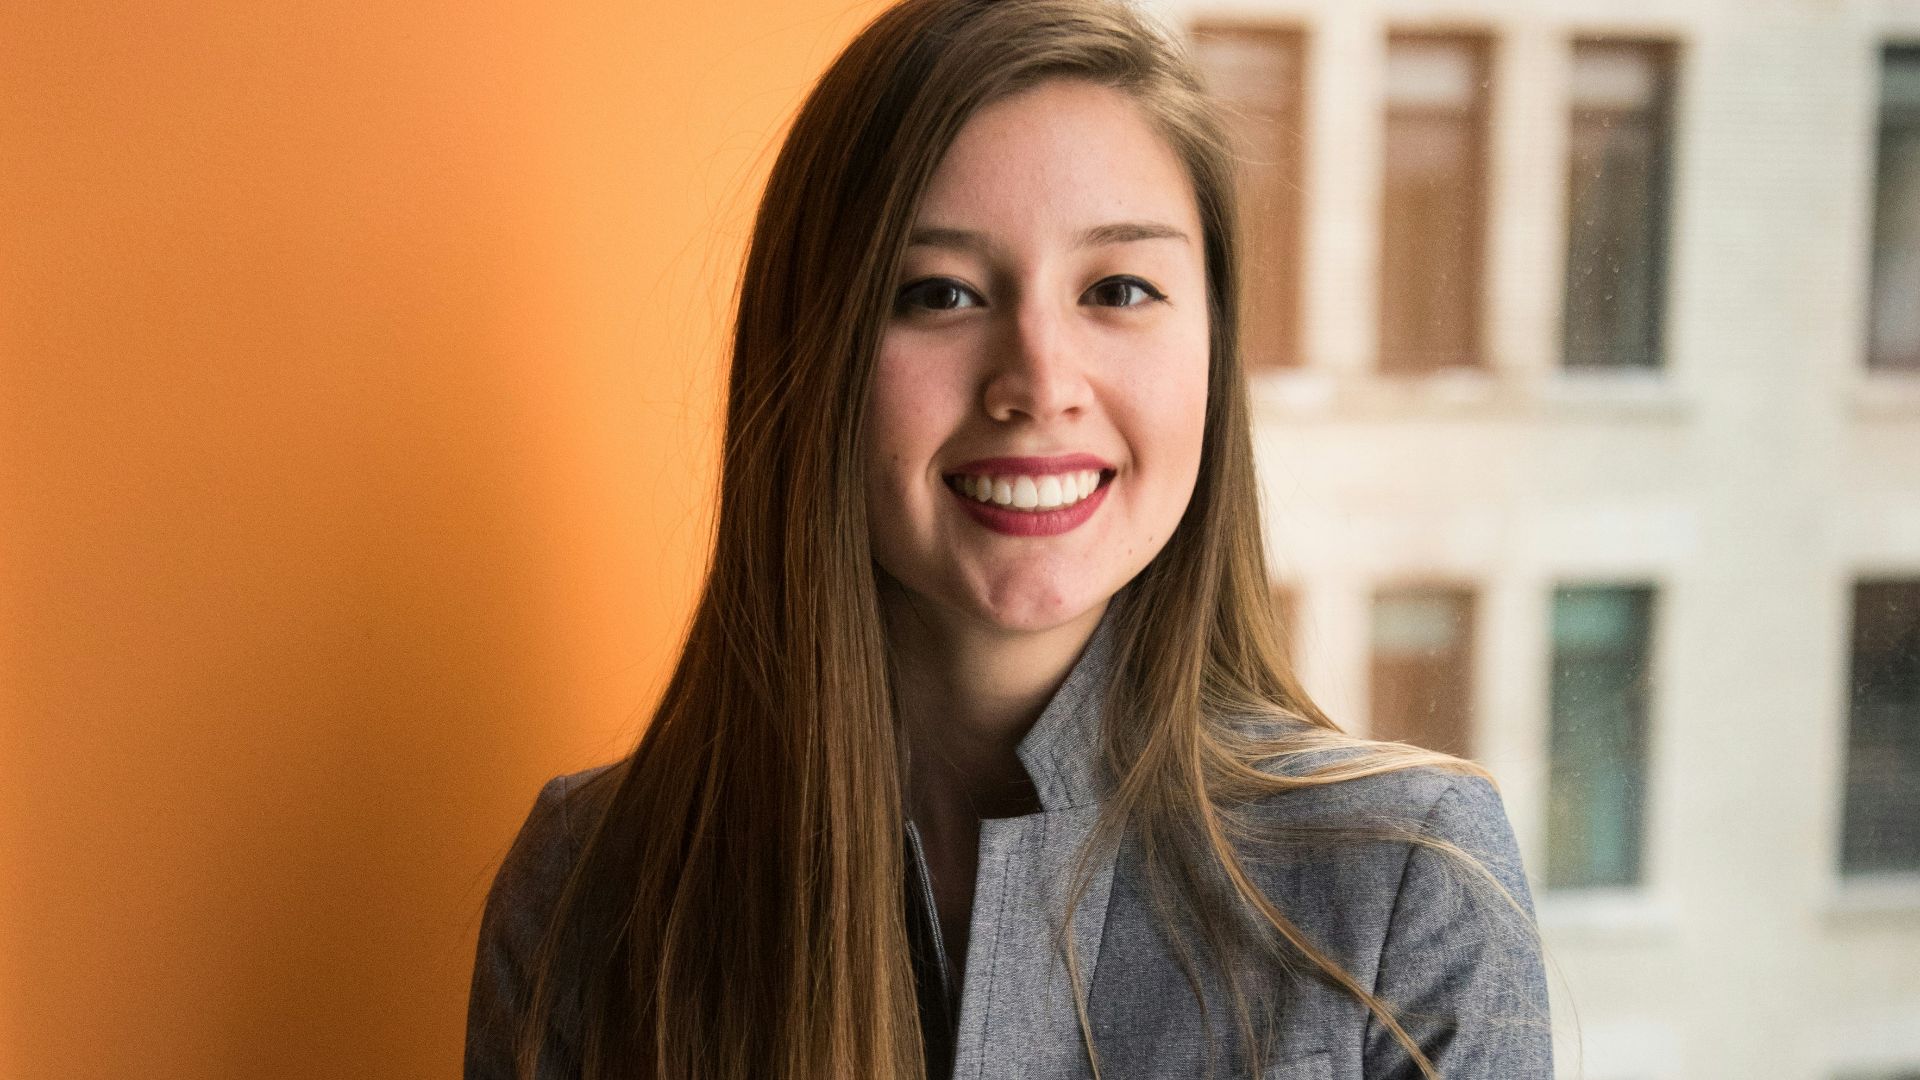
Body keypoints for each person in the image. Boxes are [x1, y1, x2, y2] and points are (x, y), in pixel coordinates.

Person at [464, 0, 1554, 1077]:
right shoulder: (589, 888)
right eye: (939, 293)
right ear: (813, 357)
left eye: (1118, 289)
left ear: (1214, 352)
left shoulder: (1410, 883)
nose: (1038, 384)